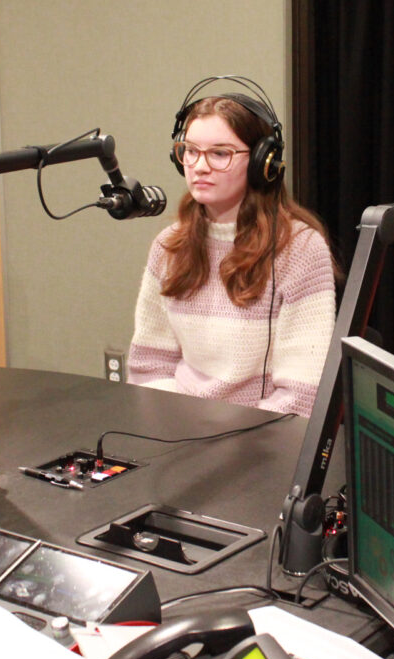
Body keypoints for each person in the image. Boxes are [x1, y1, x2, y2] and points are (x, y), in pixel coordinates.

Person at [127, 86, 336, 417]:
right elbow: (150, 366)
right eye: (190, 151)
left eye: (220, 154)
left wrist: (222, 441)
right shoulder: (169, 246)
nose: (199, 166)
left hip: (260, 444)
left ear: (261, 162)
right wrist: (178, 430)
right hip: (178, 431)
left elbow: (302, 396)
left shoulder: (301, 250)